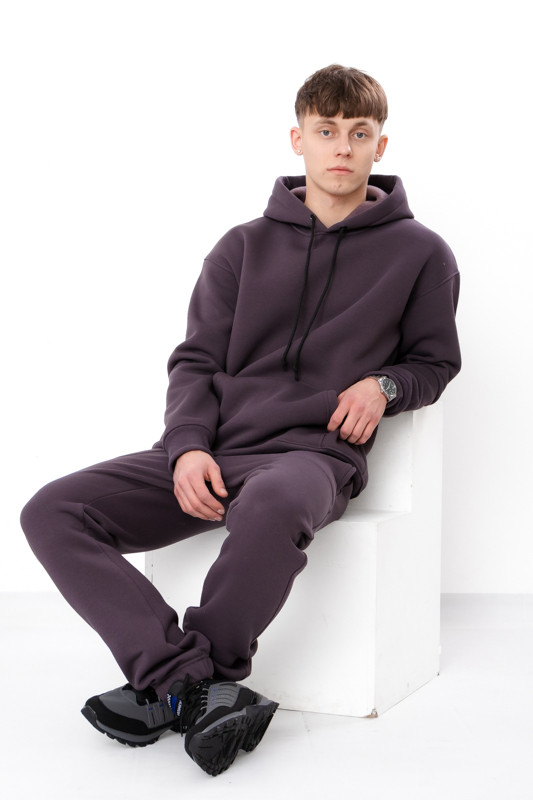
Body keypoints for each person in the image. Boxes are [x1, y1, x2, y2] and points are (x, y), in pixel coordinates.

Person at [20, 64, 461, 777]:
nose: (342, 147)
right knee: (52, 511)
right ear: (298, 139)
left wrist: (384, 385)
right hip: (215, 450)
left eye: (359, 133)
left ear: (380, 145)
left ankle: (183, 684)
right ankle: (190, 684)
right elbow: (195, 362)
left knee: (275, 500)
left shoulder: (420, 254)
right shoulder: (240, 247)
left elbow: (435, 362)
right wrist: (187, 447)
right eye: (326, 131)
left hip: (312, 457)